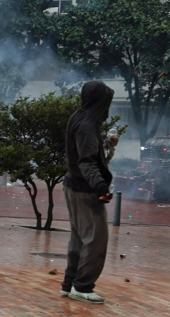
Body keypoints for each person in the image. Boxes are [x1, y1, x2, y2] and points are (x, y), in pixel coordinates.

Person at [62, 81, 115, 304]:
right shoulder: (87, 124)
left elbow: (88, 155)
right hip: (84, 189)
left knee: (79, 238)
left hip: (73, 185)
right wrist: (101, 187)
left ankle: (69, 284)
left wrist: (108, 147)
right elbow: (86, 162)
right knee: (95, 240)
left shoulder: (79, 117)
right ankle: (82, 286)